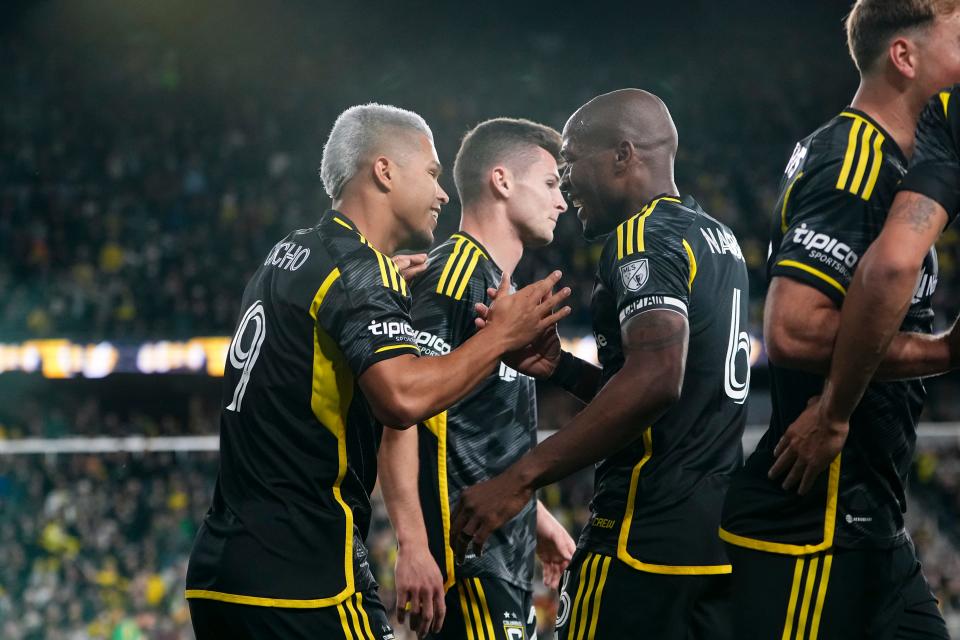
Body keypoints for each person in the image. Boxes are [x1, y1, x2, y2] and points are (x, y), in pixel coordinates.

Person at [184, 103, 572, 640]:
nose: (442, 193)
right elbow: (403, 402)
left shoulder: (291, 253)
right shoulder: (360, 272)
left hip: (224, 566)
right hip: (301, 575)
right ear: (385, 171)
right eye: (433, 174)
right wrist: (503, 335)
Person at [451, 89, 750, 639]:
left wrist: (520, 479)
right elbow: (674, 393)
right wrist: (563, 368)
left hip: (640, 537)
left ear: (622, 154)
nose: (565, 183)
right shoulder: (717, 239)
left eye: (569, 162)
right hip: (714, 542)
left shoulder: (641, 236)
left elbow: (656, 380)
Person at [719, 2, 960, 637]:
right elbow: (794, 329)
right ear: (905, 58)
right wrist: (944, 352)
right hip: (811, 525)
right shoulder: (854, 157)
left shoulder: (897, 165)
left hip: (872, 523)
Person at [378, 117, 577, 639]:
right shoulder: (452, 276)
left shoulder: (499, 291)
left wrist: (537, 519)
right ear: (502, 181)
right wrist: (415, 545)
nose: (562, 202)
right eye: (552, 184)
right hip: (467, 568)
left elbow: (477, 436)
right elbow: (402, 412)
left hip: (503, 565)